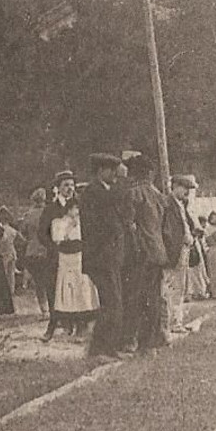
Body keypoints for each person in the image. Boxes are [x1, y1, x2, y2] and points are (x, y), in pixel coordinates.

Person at [79, 153, 128, 360]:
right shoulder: (93, 193)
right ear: (100, 171)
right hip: (100, 257)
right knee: (111, 303)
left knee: (114, 303)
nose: (115, 174)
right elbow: (97, 226)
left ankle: (106, 348)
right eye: (111, 169)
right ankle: (99, 349)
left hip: (110, 256)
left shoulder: (106, 191)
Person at [41, 171, 99, 340]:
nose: (69, 188)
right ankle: (56, 324)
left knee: (80, 288)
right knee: (58, 290)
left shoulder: (80, 205)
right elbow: (41, 232)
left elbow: (89, 227)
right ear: (58, 188)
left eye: (72, 185)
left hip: (78, 252)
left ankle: (81, 324)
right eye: (65, 185)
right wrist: (53, 245)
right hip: (58, 255)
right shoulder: (51, 208)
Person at [125, 154, 169, 352]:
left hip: (142, 253)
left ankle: (141, 342)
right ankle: (155, 338)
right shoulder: (158, 194)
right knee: (154, 297)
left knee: (139, 297)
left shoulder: (134, 194)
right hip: (158, 252)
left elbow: (130, 226)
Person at [161, 174, 200, 333]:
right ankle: (172, 323)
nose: (187, 192)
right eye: (185, 188)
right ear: (175, 186)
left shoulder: (180, 204)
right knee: (173, 288)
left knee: (180, 287)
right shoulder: (168, 204)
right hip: (174, 252)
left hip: (183, 250)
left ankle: (176, 321)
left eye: (189, 189)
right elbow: (168, 231)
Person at [22, 187, 53, 320]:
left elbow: (22, 231)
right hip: (47, 250)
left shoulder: (28, 214)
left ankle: (44, 310)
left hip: (32, 251)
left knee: (39, 282)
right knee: (50, 281)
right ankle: (53, 310)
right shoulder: (50, 212)